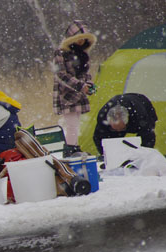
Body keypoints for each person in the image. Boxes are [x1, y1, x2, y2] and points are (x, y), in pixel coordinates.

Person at [52, 20, 97, 157]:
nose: (81, 41)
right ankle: (71, 149)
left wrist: (88, 84)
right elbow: (60, 74)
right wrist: (80, 85)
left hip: (79, 94)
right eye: (78, 38)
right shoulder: (60, 53)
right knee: (72, 124)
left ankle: (75, 148)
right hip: (66, 95)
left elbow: (85, 73)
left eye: (84, 38)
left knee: (76, 124)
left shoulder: (83, 54)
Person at [93, 93, 158, 155]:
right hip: (122, 104)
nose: (119, 131)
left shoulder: (139, 116)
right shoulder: (103, 117)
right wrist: (106, 154)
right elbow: (98, 138)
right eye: (114, 129)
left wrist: (143, 154)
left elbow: (148, 137)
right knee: (112, 141)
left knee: (145, 140)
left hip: (142, 103)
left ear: (127, 121)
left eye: (122, 128)